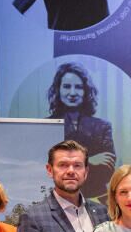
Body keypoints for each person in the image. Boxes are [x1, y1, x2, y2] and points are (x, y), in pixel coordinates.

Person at [48, 62, 115, 200]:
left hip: (96, 198)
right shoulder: (48, 126)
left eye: (78, 87)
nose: (72, 93)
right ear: (58, 89)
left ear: (86, 91)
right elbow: (43, 168)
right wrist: (90, 161)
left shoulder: (102, 127)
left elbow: (107, 171)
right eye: (67, 86)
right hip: (56, 199)